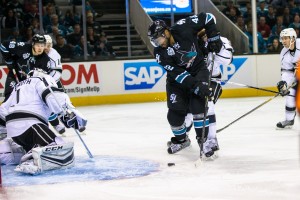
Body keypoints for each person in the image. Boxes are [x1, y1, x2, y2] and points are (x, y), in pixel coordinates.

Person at [147, 13, 223, 158]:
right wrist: (196, 86)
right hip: (176, 81)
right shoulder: (159, 53)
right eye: (155, 41)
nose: (158, 43)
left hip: (198, 70)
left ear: (166, 32)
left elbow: (208, 17)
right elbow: (178, 73)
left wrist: (213, 37)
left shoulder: (184, 27)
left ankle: (204, 141)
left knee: (198, 106)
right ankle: (182, 141)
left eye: (159, 39)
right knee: (174, 116)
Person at [0, 70, 87, 174]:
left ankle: (6, 152)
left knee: (25, 146)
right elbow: (51, 95)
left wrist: (3, 130)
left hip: (13, 128)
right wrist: (67, 113)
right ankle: (32, 160)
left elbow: (3, 110)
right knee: (58, 147)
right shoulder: (42, 79)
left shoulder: (18, 86)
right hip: (30, 123)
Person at [0, 34, 51, 102]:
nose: (40, 48)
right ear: (33, 44)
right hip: (14, 76)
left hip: (30, 84)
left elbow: (43, 80)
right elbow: (3, 45)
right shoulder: (22, 47)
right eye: (38, 45)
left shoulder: (45, 60)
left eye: (42, 45)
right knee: (9, 99)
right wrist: (9, 62)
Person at [276, 28, 300, 128]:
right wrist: (284, 84)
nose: (283, 41)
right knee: (290, 97)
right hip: (296, 77)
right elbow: (286, 71)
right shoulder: (283, 53)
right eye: (282, 38)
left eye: (286, 38)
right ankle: (289, 120)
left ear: (293, 38)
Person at [44, 34, 66, 134]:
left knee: (63, 101)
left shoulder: (54, 54)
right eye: (45, 45)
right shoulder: (35, 52)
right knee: (46, 105)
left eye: (49, 45)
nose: (47, 48)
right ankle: (56, 124)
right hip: (40, 84)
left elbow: (57, 71)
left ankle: (71, 119)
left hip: (53, 82)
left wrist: (50, 81)